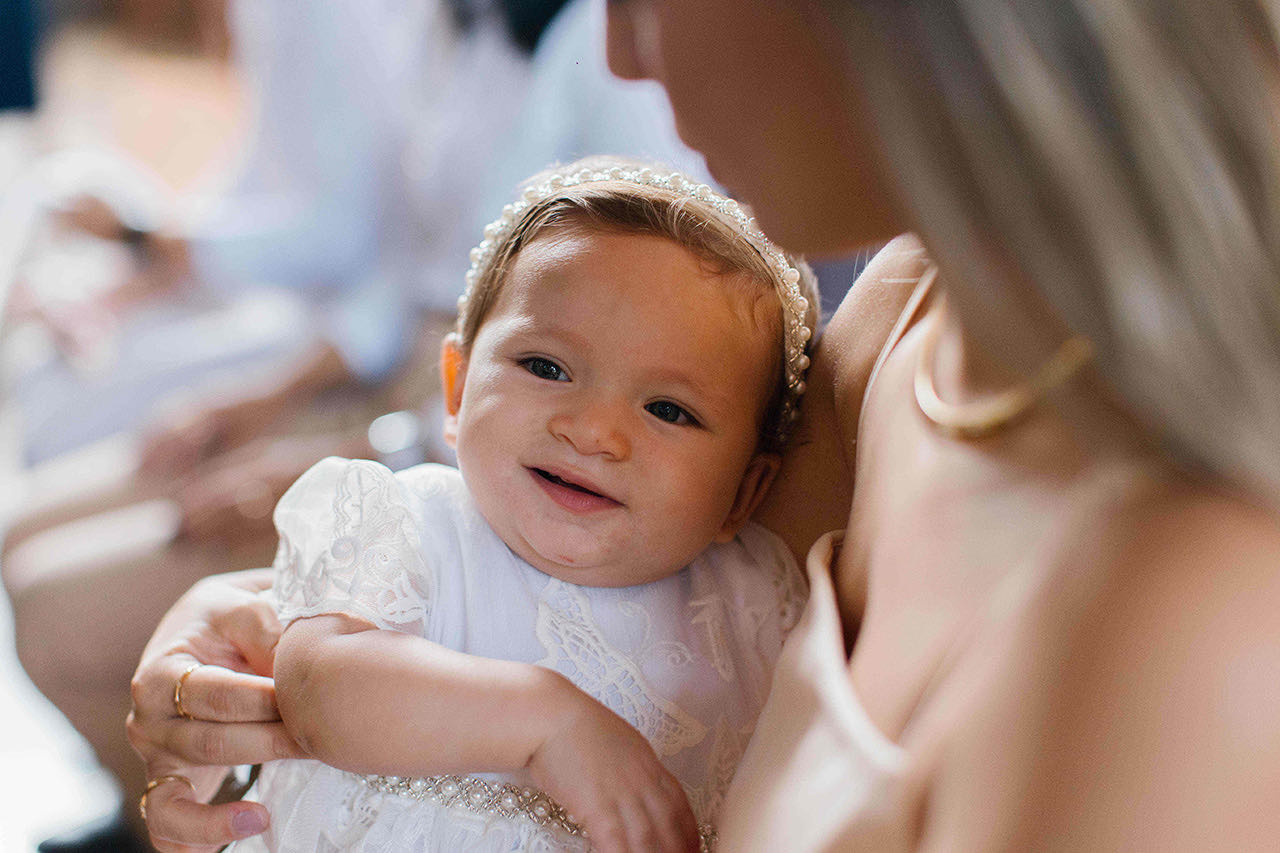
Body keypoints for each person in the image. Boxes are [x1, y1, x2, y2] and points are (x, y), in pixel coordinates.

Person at [130, 0, 1280, 849]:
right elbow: (594, 603)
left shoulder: (1191, 598)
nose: (622, 50)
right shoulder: (903, 319)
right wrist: (261, 634)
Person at [3, 1, 709, 847]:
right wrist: (269, 397)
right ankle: (173, 806)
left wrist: (344, 452)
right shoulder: (457, 33)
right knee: (28, 530)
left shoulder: (603, 51)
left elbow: (624, 360)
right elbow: (409, 273)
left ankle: (225, 820)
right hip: (412, 380)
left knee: (53, 599)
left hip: (482, 425)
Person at [222, 157, 815, 852]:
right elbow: (318, 687)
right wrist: (543, 718)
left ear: (743, 491)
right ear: (457, 385)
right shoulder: (412, 522)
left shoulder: (755, 608)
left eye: (667, 409)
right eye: (546, 367)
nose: (593, 430)